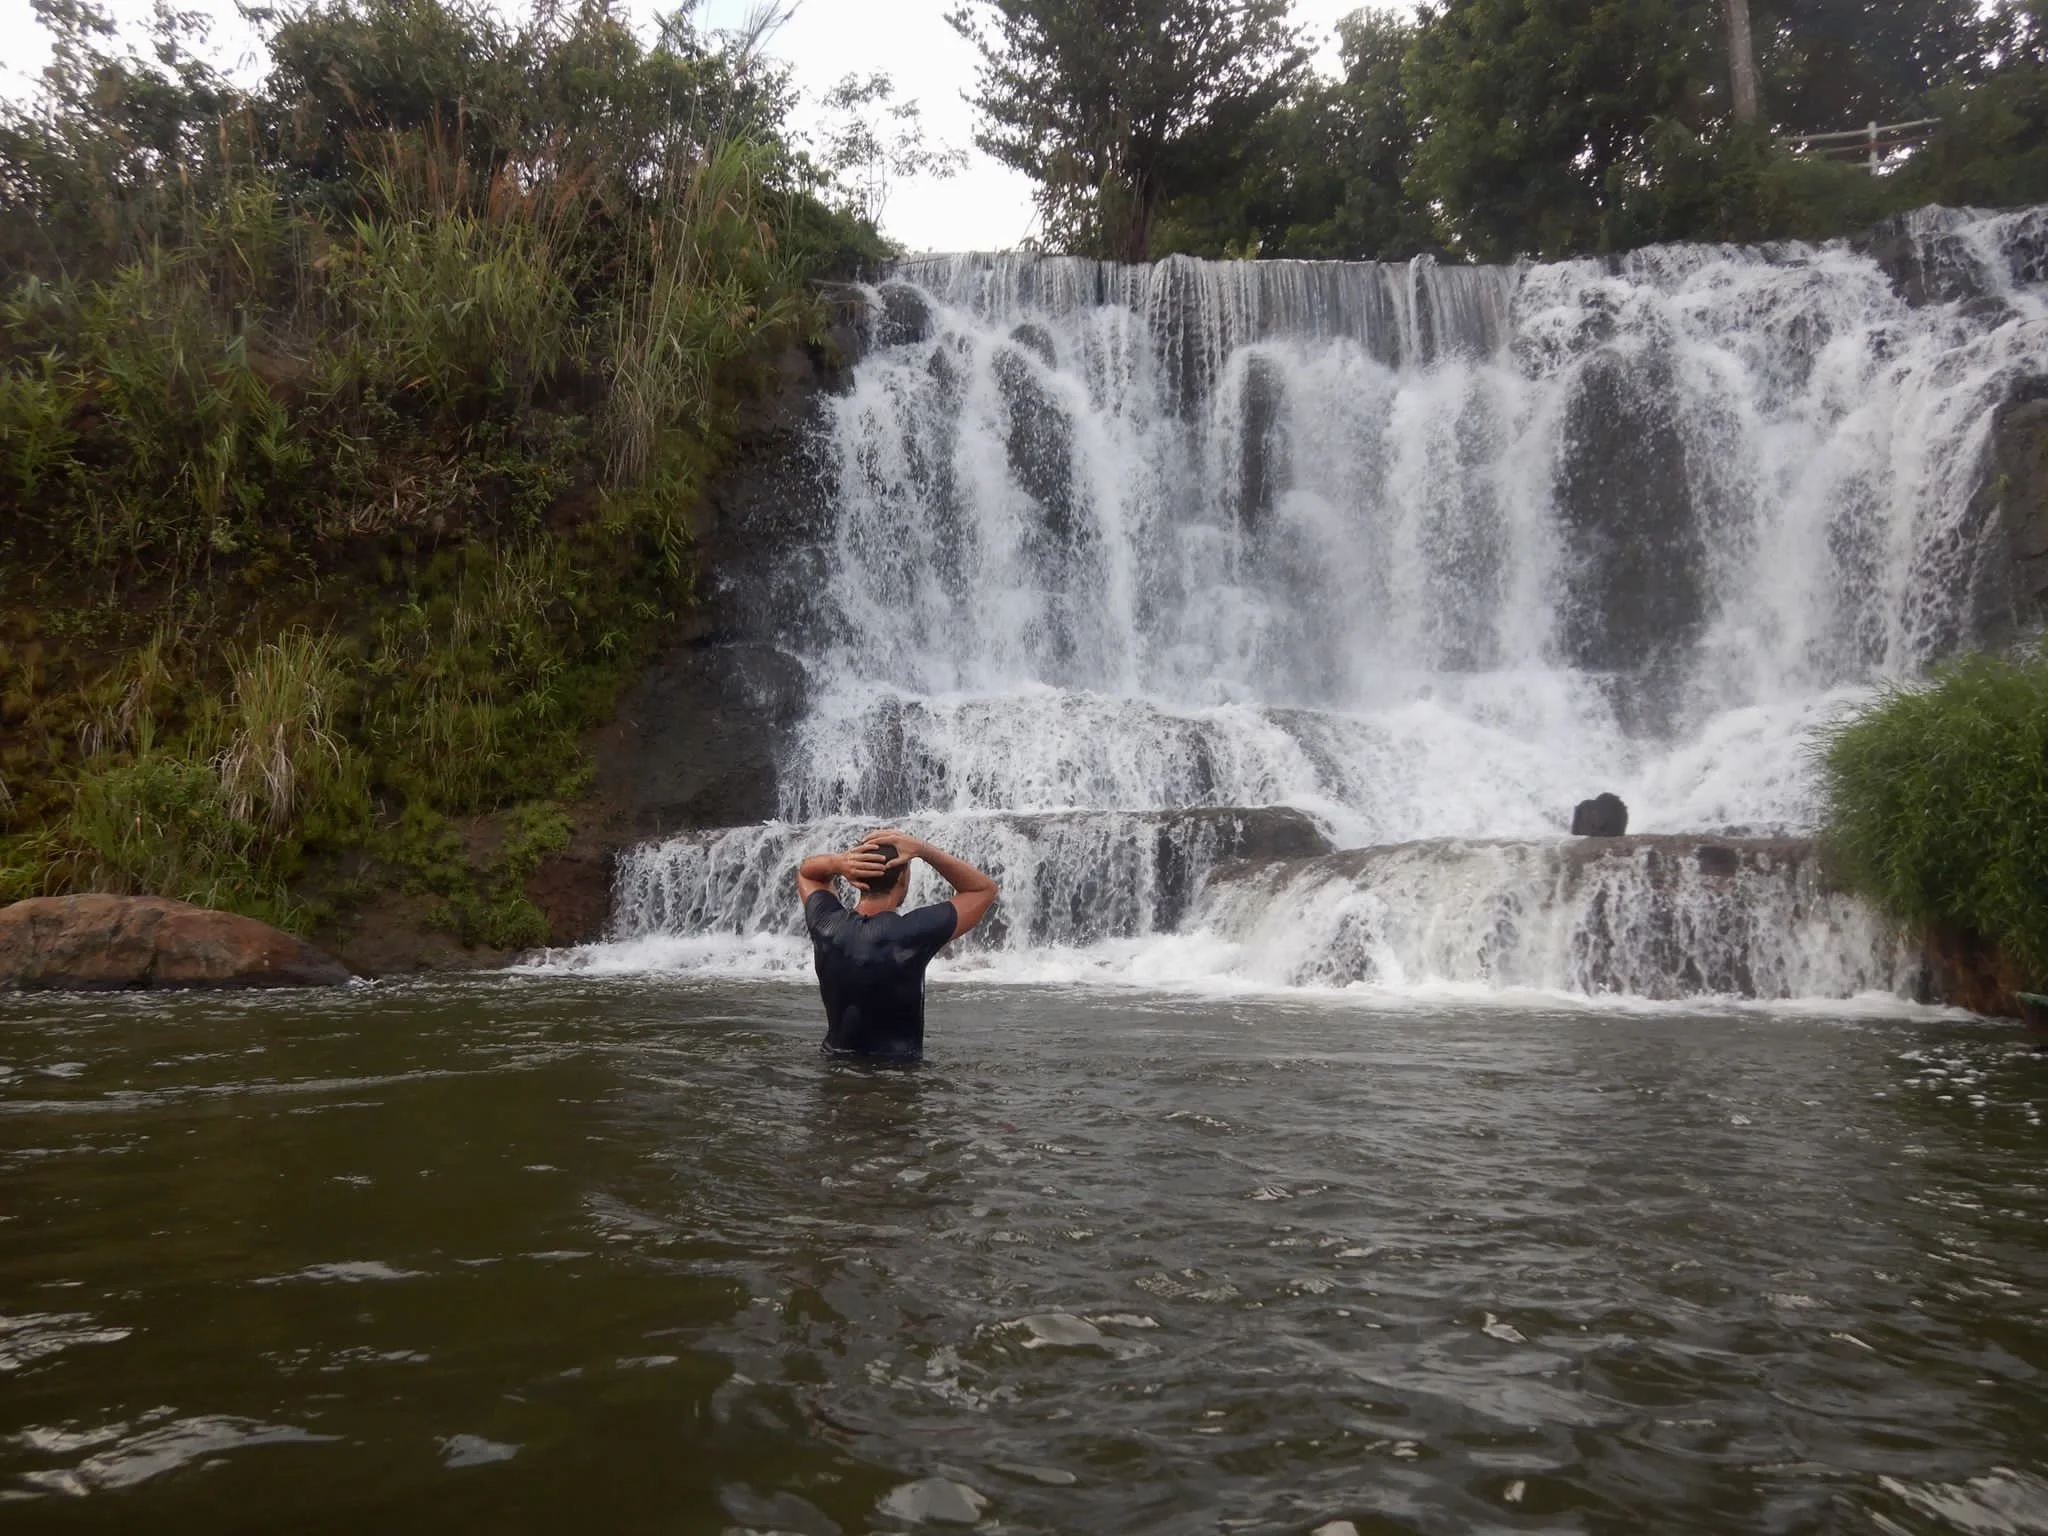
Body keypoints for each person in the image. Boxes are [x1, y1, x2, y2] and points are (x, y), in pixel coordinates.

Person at [796, 828, 999, 1060]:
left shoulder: (824, 924)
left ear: (856, 877)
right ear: (903, 878)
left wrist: (839, 862)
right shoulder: (914, 932)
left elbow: (807, 874)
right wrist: (923, 850)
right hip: (896, 1077)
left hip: (832, 1068)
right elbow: (984, 889)